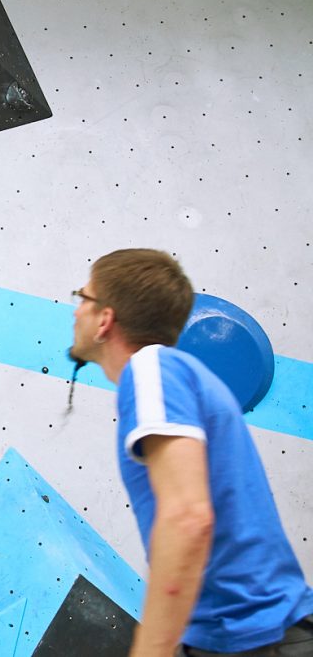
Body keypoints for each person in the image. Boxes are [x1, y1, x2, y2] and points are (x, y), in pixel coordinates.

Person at [69, 248, 313, 656]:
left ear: (105, 319)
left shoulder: (151, 371)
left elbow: (187, 518)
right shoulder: (178, 374)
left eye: (83, 298)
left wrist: (152, 650)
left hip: (249, 640)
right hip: (247, 634)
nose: (75, 311)